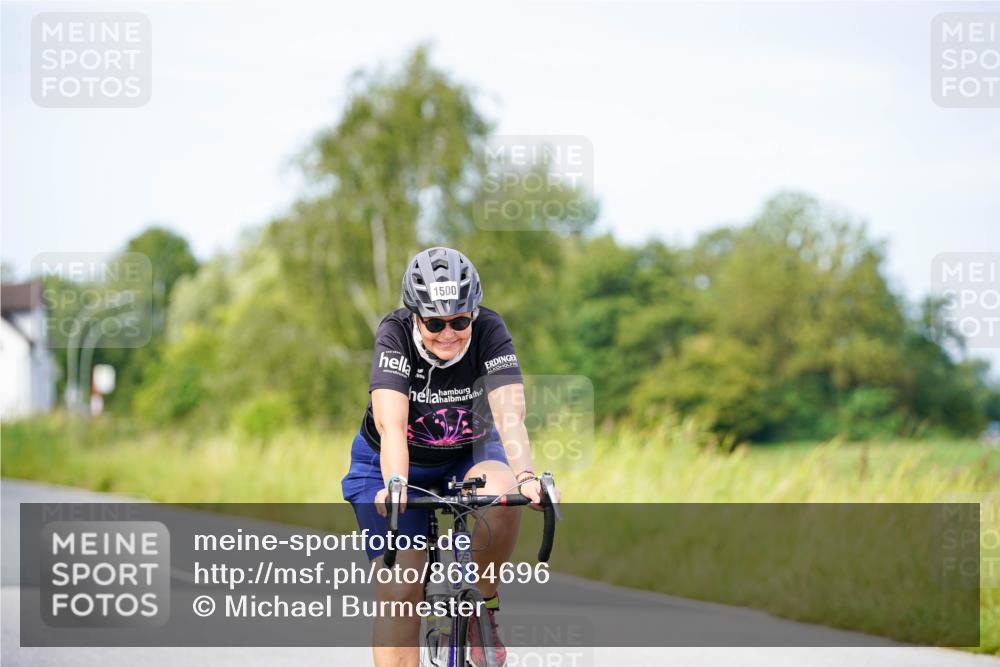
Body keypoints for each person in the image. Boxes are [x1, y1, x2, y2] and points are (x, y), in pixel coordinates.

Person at [342, 246, 545, 667]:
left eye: (459, 321)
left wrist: (526, 475)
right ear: (415, 315)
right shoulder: (394, 333)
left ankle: (481, 611)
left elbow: (509, 415)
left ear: (474, 313)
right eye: (434, 323)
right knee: (401, 592)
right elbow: (391, 425)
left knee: (505, 493)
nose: (448, 333)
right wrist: (396, 485)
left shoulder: (490, 329)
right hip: (391, 464)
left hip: (465, 455)